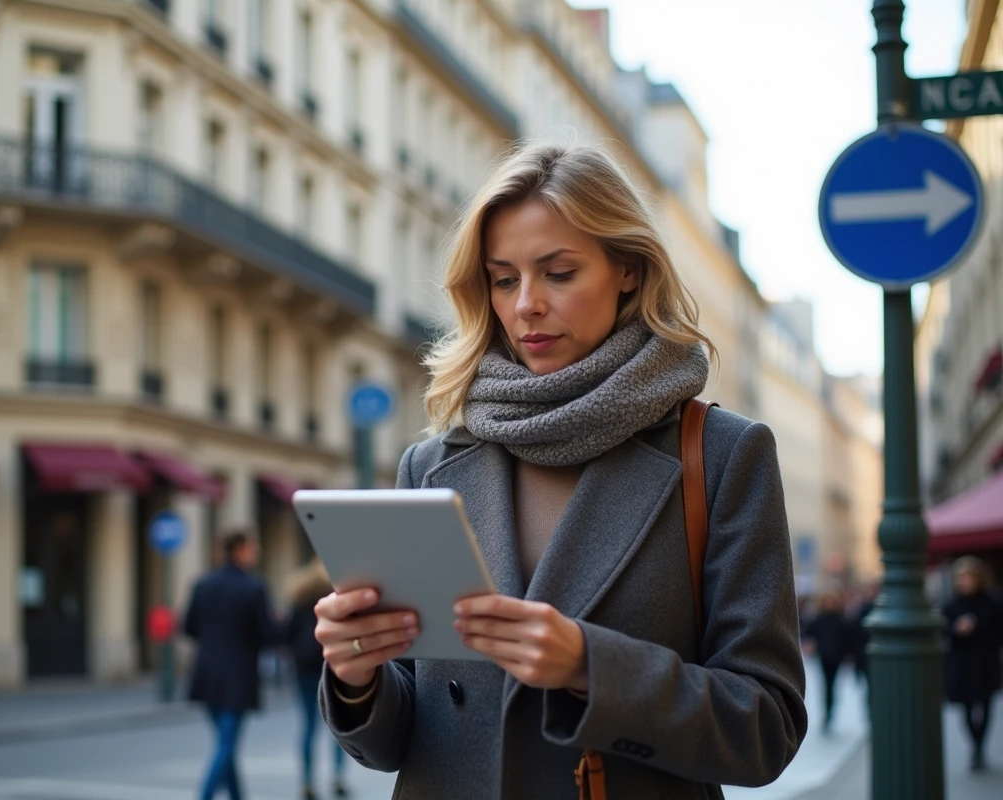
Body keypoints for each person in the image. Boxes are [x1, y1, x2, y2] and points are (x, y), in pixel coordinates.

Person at [312, 143, 808, 798]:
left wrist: (591, 666)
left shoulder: (721, 454)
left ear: (627, 269)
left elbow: (765, 726)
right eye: (505, 278)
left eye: (559, 273)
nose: (526, 306)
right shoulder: (433, 464)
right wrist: (357, 676)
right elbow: (398, 740)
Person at [182, 530, 279, 800]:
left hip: (206, 673)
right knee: (226, 745)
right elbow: (268, 635)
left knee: (226, 744)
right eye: (252, 547)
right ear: (239, 550)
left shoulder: (203, 584)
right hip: (238, 675)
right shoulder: (253, 587)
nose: (256, 552)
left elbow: (189, 627)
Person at [284, 558, 349, 800]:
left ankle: (307, 781)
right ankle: (338, 776)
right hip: (331, 666)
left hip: (304, 670)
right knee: (339, 726)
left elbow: (286, 634)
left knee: (309, 727)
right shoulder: (336, 594)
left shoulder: (299, 599)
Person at [941, 556, 1003, 771]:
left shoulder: (993, 602)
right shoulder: (951, 604)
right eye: (962, 577)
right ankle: (976, 747)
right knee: (966, 707)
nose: (966, 582)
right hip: (962, 664)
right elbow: (943, 631)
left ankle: (980, 747)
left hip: (986, 661)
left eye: (969, 577)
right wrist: (957, 630)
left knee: (986, 705)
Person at [802, 591, 852, 734]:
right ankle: (827, 712)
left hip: (836, 657)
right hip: (824, 656)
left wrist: (848, 654)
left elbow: (848, 638)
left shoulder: (841, 620)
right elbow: (808, 633)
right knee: (826, 685)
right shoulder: (819, 619)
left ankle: (830, 711)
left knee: (832, 685)